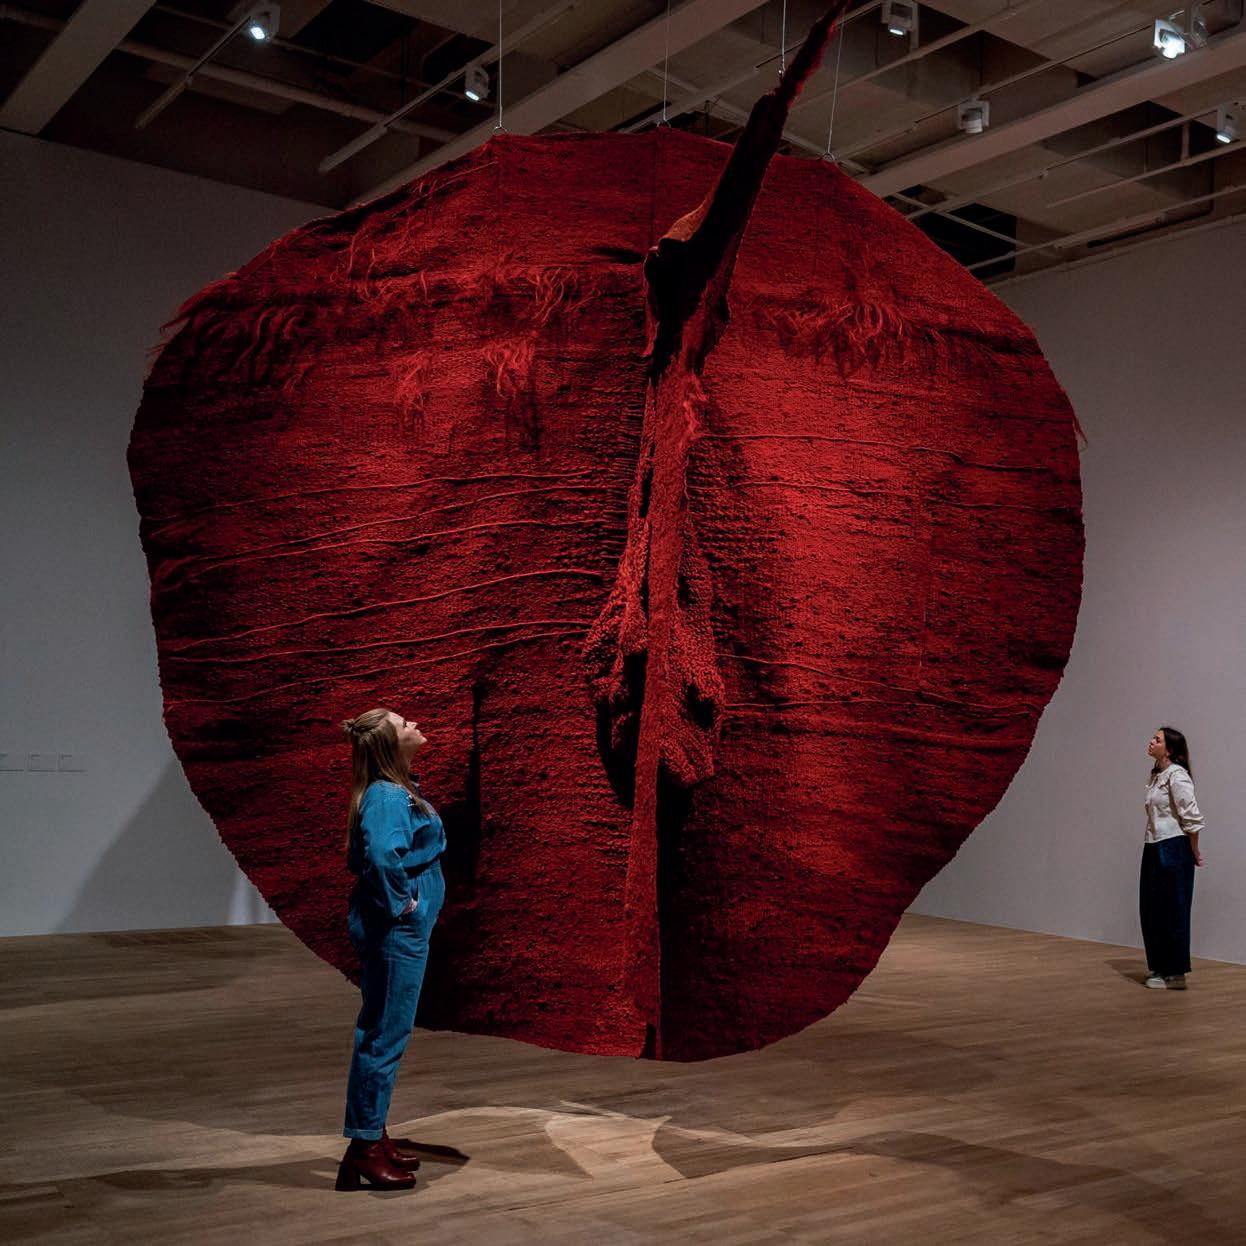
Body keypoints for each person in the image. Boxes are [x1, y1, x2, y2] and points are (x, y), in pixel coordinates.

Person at [335, 707, 447, 1191]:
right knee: (384, 1035)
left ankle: (372, 1135)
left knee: (385, 1031)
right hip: (396, 932)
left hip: (401, 931)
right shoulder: (387, 795)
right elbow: (383, 856)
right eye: (403, 725)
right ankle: (363, 1147)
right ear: (389, 745)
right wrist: (405, 905)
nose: (414, 725)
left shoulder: (395, 790)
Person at [1140, 726, 1205, 991]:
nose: (1151, 742)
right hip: (1154, 846)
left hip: (1173, 847)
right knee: (1151, 908)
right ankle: (1159, 967)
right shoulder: (1157, 775)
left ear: (1169, 749)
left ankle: (1175, 973)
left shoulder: (1177, 776)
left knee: (1172, 909)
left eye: (1157, 740)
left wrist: (1193, 849)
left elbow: (1191, 817)